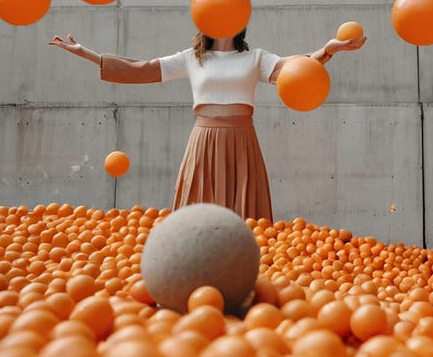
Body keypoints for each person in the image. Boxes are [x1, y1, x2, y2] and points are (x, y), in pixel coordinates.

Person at [48, 28, 366, 221]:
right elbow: (142, 69)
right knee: (198, 209)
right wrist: (88, 54)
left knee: (245, 213)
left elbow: (296, 70)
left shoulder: (255, 57)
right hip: (203, 139)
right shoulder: (192, 57)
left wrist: (328, 50)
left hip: (242, 139)